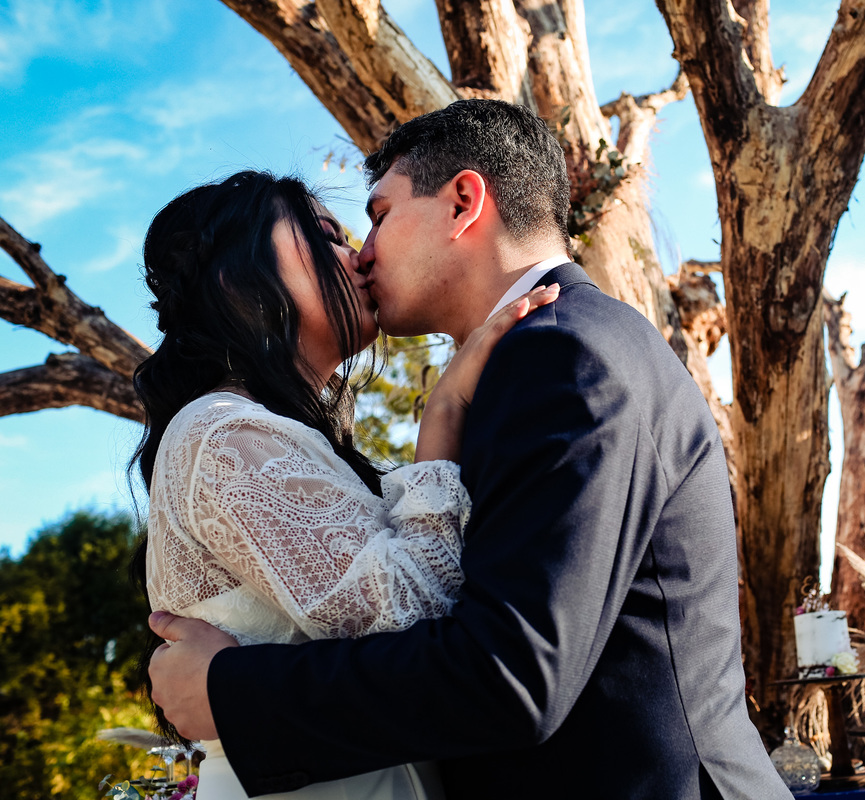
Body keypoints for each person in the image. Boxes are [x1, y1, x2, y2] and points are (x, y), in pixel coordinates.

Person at [149, 100, 792, 799]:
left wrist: (232, 692)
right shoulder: (535, 358)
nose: (362, 253)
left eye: (379, 216)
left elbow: (508, 672)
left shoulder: (561, 353)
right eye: (333, 234)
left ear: (462, 202)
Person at [132, 169, 558, 799]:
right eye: (324, 234)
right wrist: (440, 418)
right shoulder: (223, 436)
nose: (358, 254)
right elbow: (417, 618)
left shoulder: (267, 437)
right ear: (235, 278)